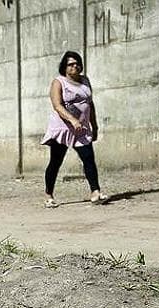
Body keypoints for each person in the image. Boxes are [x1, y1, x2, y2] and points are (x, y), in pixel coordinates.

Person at [41, 50, 108, 208]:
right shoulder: (59, 82)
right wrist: (72, 119)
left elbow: (90, 104)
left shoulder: (85, 81)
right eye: (71, 64)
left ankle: (95, 192)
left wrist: (95, 125)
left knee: (88, 158)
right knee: (56, 162)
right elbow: (57, 105)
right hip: (63, 127)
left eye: (77, 63)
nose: (75, 66)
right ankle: (48, 195)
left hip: (81, 128)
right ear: (64, 67)